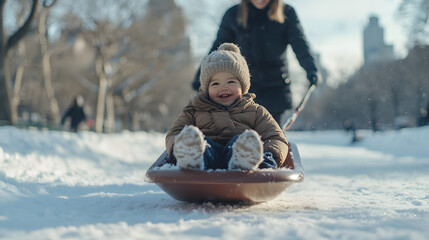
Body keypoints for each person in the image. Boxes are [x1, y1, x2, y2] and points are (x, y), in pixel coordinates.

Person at [166, 43, 290, 171]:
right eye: (215, 83)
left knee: (242, 141)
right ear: (206, 89)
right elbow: (175, 133)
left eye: (231, 81)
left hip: (238, 151)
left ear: (243, 86)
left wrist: (268, 156)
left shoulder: (256, 111)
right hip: (207, 157)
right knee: (203, 146)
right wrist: (179, 147)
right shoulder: (194, 110)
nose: (223, 87)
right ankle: (191, 157)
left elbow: (275, 137)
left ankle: (245, 158)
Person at [192, 0, 319, 124]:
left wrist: (311, 69)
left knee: (272, 137)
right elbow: (217, 49)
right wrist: (201, 77)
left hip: (276, 88)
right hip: (245, 90)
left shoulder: (287, 13)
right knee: (244, 137)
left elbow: (300, 44)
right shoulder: (233, 15)